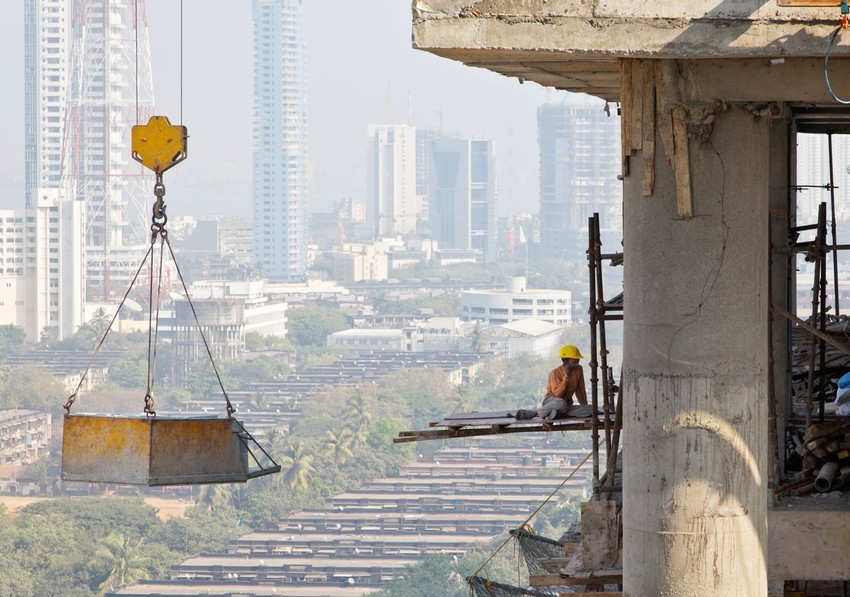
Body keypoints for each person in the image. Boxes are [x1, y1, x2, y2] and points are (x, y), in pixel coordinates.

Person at [516, 345, 594, 420]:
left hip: (566, 404)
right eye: (574, 362)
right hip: (552, 401)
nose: (577, 364)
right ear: (565, 362)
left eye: (578, 361)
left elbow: (580, 391)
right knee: (561, 403)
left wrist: (584, 406)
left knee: (592, 409)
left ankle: (558, 414)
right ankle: (534, 413)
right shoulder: (555, 373)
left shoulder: (578, 369)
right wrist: (566, 377)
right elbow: (557, 394)